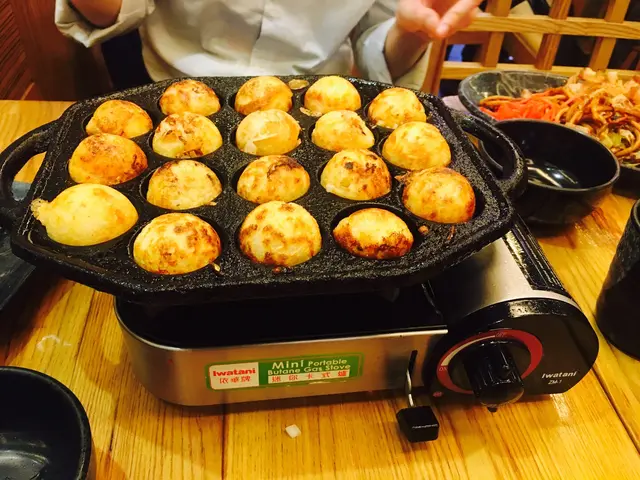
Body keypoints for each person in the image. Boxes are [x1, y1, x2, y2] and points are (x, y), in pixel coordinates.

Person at [55, 0, 481, 90]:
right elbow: (116, 10)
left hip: (319, 105)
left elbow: (377, 54)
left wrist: (414, 30)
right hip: (174, 94)